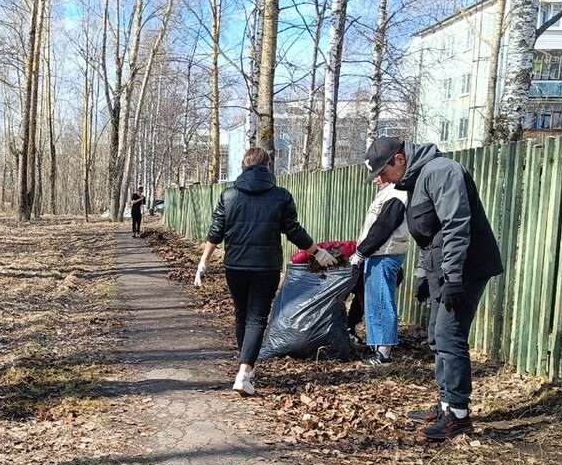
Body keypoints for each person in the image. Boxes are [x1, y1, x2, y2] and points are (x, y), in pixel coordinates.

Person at [363, 136, 503, 440]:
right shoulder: (415, 178)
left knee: (449, 336)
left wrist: (452, 278)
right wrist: (424, 275)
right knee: (436, 336)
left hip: (465, 268)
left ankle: (458, 416)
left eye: (384, 172)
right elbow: (427, 236)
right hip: (443, 269)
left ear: (399, 159)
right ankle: (446, 405)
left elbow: (456, 226)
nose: (382, 180)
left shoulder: (441, 171)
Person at [194, 146, 337, 395]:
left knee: (242, 315)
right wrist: (318, 252)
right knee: (256, 318)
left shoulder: (229, 195)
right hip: (266, 266)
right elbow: (293, 231)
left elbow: (216, 231)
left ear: (244, 166)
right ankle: (245, 372)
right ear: (268, 166)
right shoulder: (281, 196)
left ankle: (245, 367)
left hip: (235, 266)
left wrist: (203, 261)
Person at [349, 168, 409, 366]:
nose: (376, 180)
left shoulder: (397, 194)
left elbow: (383, 227)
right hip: (376, 254)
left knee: (382, 301)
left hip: (385, 254)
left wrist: (360, 253)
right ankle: (377, 347)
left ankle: (383, 352)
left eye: (379, 175)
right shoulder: (387, 193)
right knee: (374, 302)